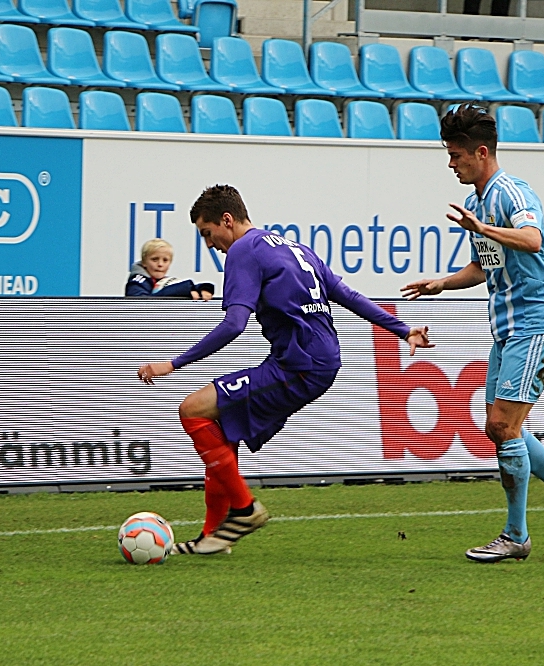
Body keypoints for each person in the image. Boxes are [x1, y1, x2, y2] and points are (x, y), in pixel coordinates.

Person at [138, 185, 433, 555]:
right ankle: (214, 537)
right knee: (220, 429)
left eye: (208, 233)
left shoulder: (243, 251)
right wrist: (403, 329)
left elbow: (234, 324)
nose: (210, 244)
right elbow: (348, 295)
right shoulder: (295, 248)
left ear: (226, 221)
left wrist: (173, 363)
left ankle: (245, 510)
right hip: (317, 360)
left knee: (192, 409)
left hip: (299, 365)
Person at [401, 104, 544, 564]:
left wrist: (484, 227)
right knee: (503, 428)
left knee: (502, 427)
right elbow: (486, 263)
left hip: (537, 323)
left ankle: (516, 535)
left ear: (481, 152)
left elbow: (532, 239)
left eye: (455, 155)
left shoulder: (511, 192)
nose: (450, 164)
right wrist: (442, 283)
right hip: (508, 328)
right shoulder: (476, 202)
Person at [125, 238, 215, 299]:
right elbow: (143, 305)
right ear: (144, 262)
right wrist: (184, 292)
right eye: (154, 259)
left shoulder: (160, 281)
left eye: (165, 260)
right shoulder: (136, 282)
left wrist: (202, 289)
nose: (160, 264)